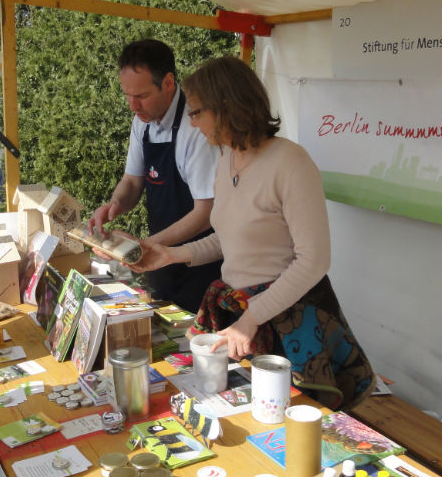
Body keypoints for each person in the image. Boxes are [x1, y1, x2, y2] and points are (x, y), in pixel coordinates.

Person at [133, 56, 375, 410]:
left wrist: (251, 319)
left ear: (227, 106)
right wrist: (174, 254)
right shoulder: (225, 159)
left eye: (197, 112)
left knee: (296, 424)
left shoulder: (290, 162)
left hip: (291, 324)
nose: (192, 121)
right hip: (244, 318)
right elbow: (227, 238)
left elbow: (314, 261)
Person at [88, 39, 221, 313]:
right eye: (127, 94)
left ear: (169, 82)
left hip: (202, 269)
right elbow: (132, 181)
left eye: (142, 95)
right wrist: (115, 206)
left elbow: (206, 212)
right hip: (162, 263)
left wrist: (144, 247)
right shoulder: (142, 122)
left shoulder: (195, 127)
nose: (133, 105)